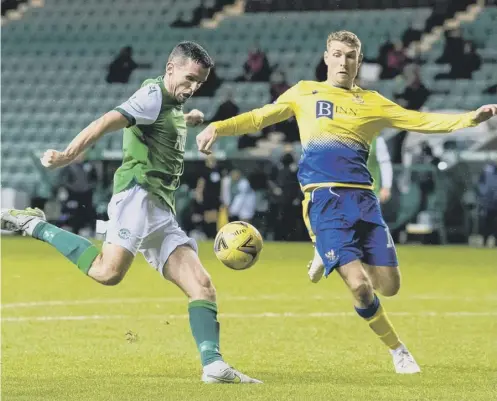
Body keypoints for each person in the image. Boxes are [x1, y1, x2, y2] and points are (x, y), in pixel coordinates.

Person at [196, 30, 497, 374]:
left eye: (350, 56)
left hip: (364, 201)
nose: (343, 61)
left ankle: (329, 252)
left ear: (359, 62)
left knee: (390, 286)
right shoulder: (304, 92)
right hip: (325, 199)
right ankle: (398, 350)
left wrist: (469, 119)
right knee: (361, 287)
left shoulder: (373, 102)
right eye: (337, 54)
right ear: (326, 58)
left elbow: (421, 120)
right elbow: (259, 117)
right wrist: (218, 126)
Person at [1, 41, 261, 384]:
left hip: (161, 209)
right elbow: (106, 121)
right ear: (170, 69)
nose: (194, 87)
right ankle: (34, 224)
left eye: (200, 82)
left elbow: (162, 123)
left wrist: (188, 119)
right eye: (189, 78)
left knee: (202, 286)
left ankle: (213, 366)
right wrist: (67, 155)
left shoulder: (170, 105)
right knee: (108, 273)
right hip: (136, 196)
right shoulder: (152, 95)